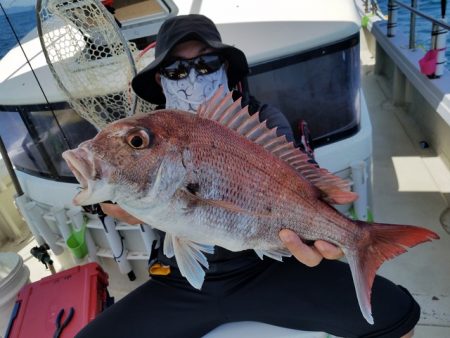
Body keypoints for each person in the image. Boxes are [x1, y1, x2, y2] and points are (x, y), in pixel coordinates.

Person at [76, 14, 418, 338]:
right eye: (177, 69)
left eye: (206, 63)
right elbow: (135, 199)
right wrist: (116, 203)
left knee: (400, 315)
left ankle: (360, 241)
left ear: (225, 68)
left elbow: (294, 186)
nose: (194, 76)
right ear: (159, 79)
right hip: (178, 280)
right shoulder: (153, 132)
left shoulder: (263, 120)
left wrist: (326, 231)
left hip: (265, 269)